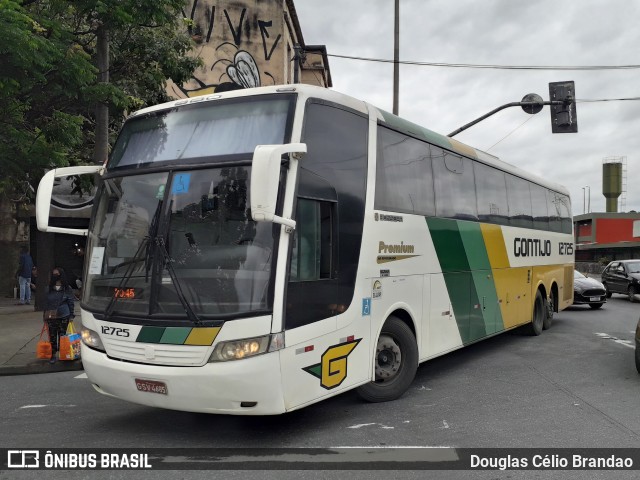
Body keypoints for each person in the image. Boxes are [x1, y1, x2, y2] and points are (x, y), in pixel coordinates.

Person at [43, 267, 75, 364]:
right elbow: (45, 303)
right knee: (52, 336)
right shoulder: (48, 288)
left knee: (63, 336)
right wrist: (44, 316)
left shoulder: (67, 288)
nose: (55, 276)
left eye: (57, 274)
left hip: (64, 315)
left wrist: (71, 315)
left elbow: (71, 302)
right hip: (51, 316)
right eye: (54, 274)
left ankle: (63, 353)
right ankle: (53, 354)